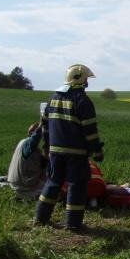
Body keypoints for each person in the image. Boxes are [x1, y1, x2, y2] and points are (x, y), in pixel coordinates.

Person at [34, 64, 104, 230]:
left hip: (55, 152)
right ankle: (73, 225)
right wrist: (97, 150)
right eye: (86, 79)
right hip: (76, 153)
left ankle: (40, 218)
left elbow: (44, 125)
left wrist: (47, 146)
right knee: (76, 186)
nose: (87, 82)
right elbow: (90, 131)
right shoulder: (82, 100)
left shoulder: (53, 98)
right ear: (79, 79)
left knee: (52, 183)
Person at [7, 120, 48, 200]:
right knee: (54, 190)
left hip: (17, 184)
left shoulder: (28, 147)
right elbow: (35, 137)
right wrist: (42, 122)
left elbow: (43, 164)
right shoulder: (27, 145)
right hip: (23, 187)